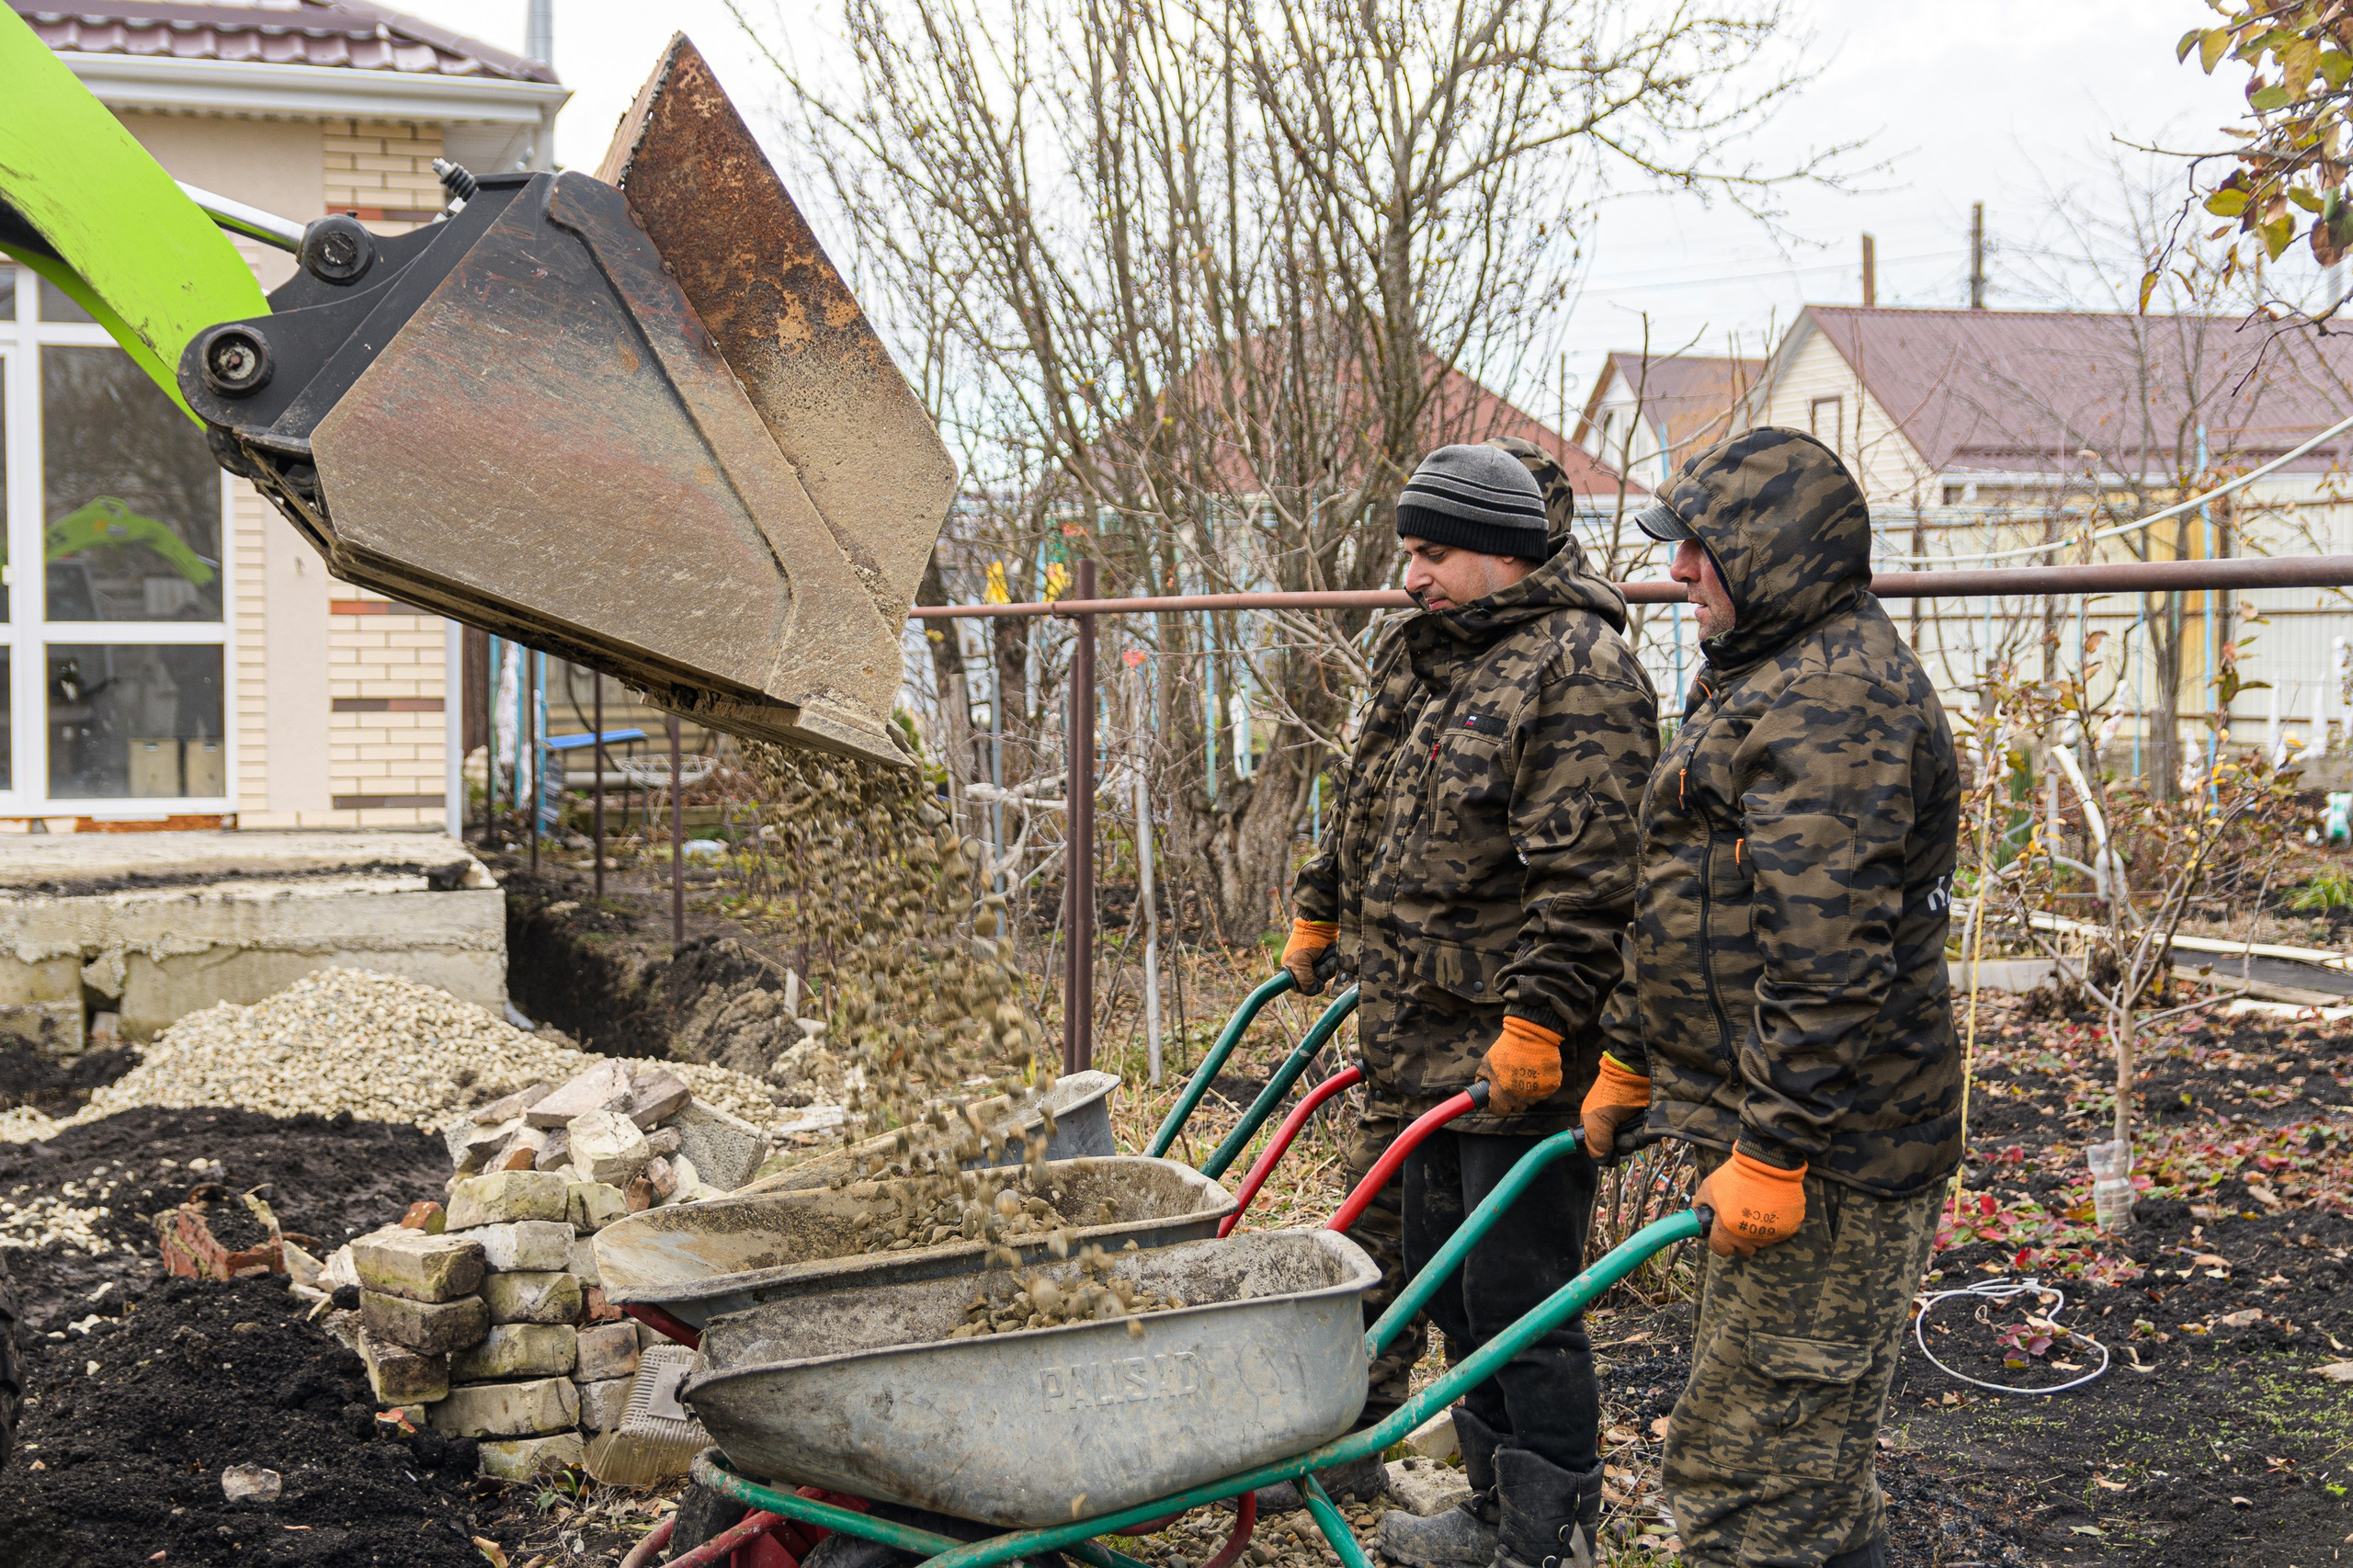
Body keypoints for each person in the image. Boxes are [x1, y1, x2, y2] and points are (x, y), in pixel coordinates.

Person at [1580, 427, 1961, 1568]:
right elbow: (1689, 899)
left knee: (1757, 1484)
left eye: (1701, 546)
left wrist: (1781, 1148)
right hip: (1776, 1131)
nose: (1679, 568)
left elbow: (1826, 958)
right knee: (1783, 1472)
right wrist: (1631, 1055)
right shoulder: (1758, 678)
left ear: (1775, 551)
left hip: (1838, 1152)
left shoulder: (1835, 702)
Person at [1283, 439, 1658, 1568]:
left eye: (1433, 552)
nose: (1412, 573)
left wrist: (1540, 1022)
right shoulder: (1425, 654)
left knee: (1519, 1298)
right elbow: (1366, 796)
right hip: (1417, 1041)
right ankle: (1494, 1509)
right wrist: (1320, 901)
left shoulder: (1578, 671)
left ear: (1500, 551)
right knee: (1452, 1285)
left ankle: (1550, 1532)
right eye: (1409, 550)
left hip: (1514, 1053)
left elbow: (1591, 885)